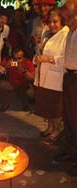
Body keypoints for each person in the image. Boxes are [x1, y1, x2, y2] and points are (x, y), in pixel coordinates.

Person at [33, 8, 69, 144]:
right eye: (50, 22)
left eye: (55, 22)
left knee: (55, 107)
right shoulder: (47, 34)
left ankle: (56, 130)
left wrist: (47, 59)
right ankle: (49, 128)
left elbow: (64, 58)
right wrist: (36, 59)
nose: (52, 24)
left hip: (55, 77)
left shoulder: (65, 35)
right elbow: (40, 51)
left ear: (62, 22)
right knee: (46, 106)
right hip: (44, 75)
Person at [52, 0, 77, 176]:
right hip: (69, 77)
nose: (63, 16)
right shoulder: (69, 32)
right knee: (69, 118)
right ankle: (71, 152)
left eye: (67, 12)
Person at [0, 47, 35, 112]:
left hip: (23, 85)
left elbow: (32, 78)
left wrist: (24, 71)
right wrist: (4, 67)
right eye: (15, 58)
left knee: (30, 92)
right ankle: (5, 104)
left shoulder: (27, 62)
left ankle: (25, 104)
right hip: (11, 83)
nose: (17, 61)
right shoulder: (8, 60)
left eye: (19, 58)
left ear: (23, 57)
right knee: (2, 85)